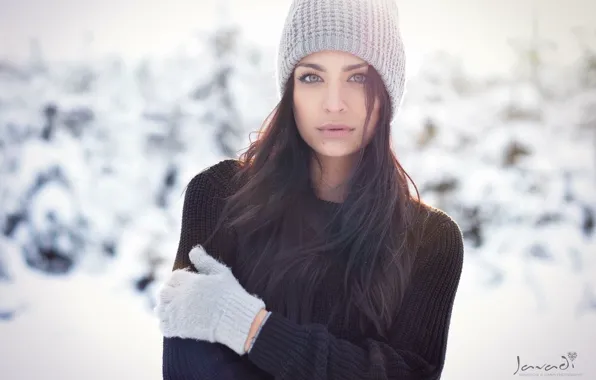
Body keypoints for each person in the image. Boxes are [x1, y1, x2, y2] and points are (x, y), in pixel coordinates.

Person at [155, 0, 465, 379]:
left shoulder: (431, 240)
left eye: (358, 77)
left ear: (387, 93)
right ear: (290, 90)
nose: (334, 104)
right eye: (312, 77)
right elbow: (188, 363)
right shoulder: (218, 197)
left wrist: (251, 328)